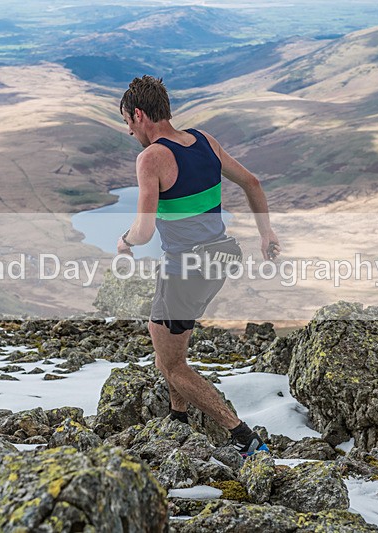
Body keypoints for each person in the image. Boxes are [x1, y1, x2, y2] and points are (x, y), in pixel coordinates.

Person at [116, 75, 281, 457]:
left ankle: (243, 437)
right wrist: (266, 233)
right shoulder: (204, 140)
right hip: (220, 257)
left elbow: (144, 230)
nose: (129, 131)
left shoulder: (151, 158)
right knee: (160, 334)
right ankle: (179, 419)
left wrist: (124, 242)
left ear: (139, 115)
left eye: (127, 122)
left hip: (187, 268)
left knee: (172, 364)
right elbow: (252, 183)